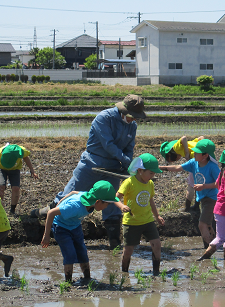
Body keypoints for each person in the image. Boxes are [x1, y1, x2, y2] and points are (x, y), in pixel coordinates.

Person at [34, 94, 146, 250]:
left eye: (136, 117)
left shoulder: (132, 126)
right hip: (91, 164)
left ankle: (114, 244)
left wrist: (129, 164)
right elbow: (108, 145)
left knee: (112, 203)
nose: (133, 120)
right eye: (132, 116)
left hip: (112, 170)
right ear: (123, 110)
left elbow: (129, 148)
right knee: (67, 196)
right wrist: (127, 161)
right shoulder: (104, 118)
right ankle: (43, 219)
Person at [41, 181, 119, 283]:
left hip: (75, 226)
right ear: (98, 202)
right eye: (107, 204)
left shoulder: (87, 197)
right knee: (70, 254)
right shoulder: (75, 207)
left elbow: (73, 192)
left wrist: (61, 200)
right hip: (61, 227)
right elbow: (51, 213)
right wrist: (46, 235)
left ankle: (87, 278)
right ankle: (68, 283)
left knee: (82, 252)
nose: (107, 207)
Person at [159, 139, 220, 249]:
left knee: (202, 225)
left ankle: (209, 248)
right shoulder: (194, 163)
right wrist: (160, 168)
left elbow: (220, 183)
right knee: (208, 225)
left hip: (211, 198)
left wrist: (204, 186)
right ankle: (215, 244)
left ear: (205, 155)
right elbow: (178, 168)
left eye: (197, 152)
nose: (194, 154)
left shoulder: (212, 167)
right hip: (203, 198)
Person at [116, 154, 165, 276]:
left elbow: (151, 201)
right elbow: (115, 197)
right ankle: (124, 273)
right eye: (151, 173)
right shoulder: (129, 182)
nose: (152, 176)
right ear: (140, 170)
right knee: (128, 251)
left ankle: (156, 272)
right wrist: (122, 206)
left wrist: (157, 216)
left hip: (147, 220)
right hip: (131, 222)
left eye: (154, 174)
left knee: (157, 244)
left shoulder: (150, 184)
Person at [159, 135, 205, 211]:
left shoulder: (175, 148)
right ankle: (197, 206)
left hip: (197, 161)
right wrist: (203, 149)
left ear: (170, 154)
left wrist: (187, 153)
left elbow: (183, 138)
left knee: (192, 184)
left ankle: (188, 207)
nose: (174, 161)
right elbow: (201, 137)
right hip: (202, 160)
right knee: (198, 181)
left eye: (170, 159)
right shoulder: (190, 143)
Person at [0, 143, 39, 215]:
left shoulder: (21, 150)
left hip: (15, 169)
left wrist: (32, 170)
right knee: (1, 186)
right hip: (1, 169)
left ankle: (12, 211)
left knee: (16, 188)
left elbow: (26, 157)